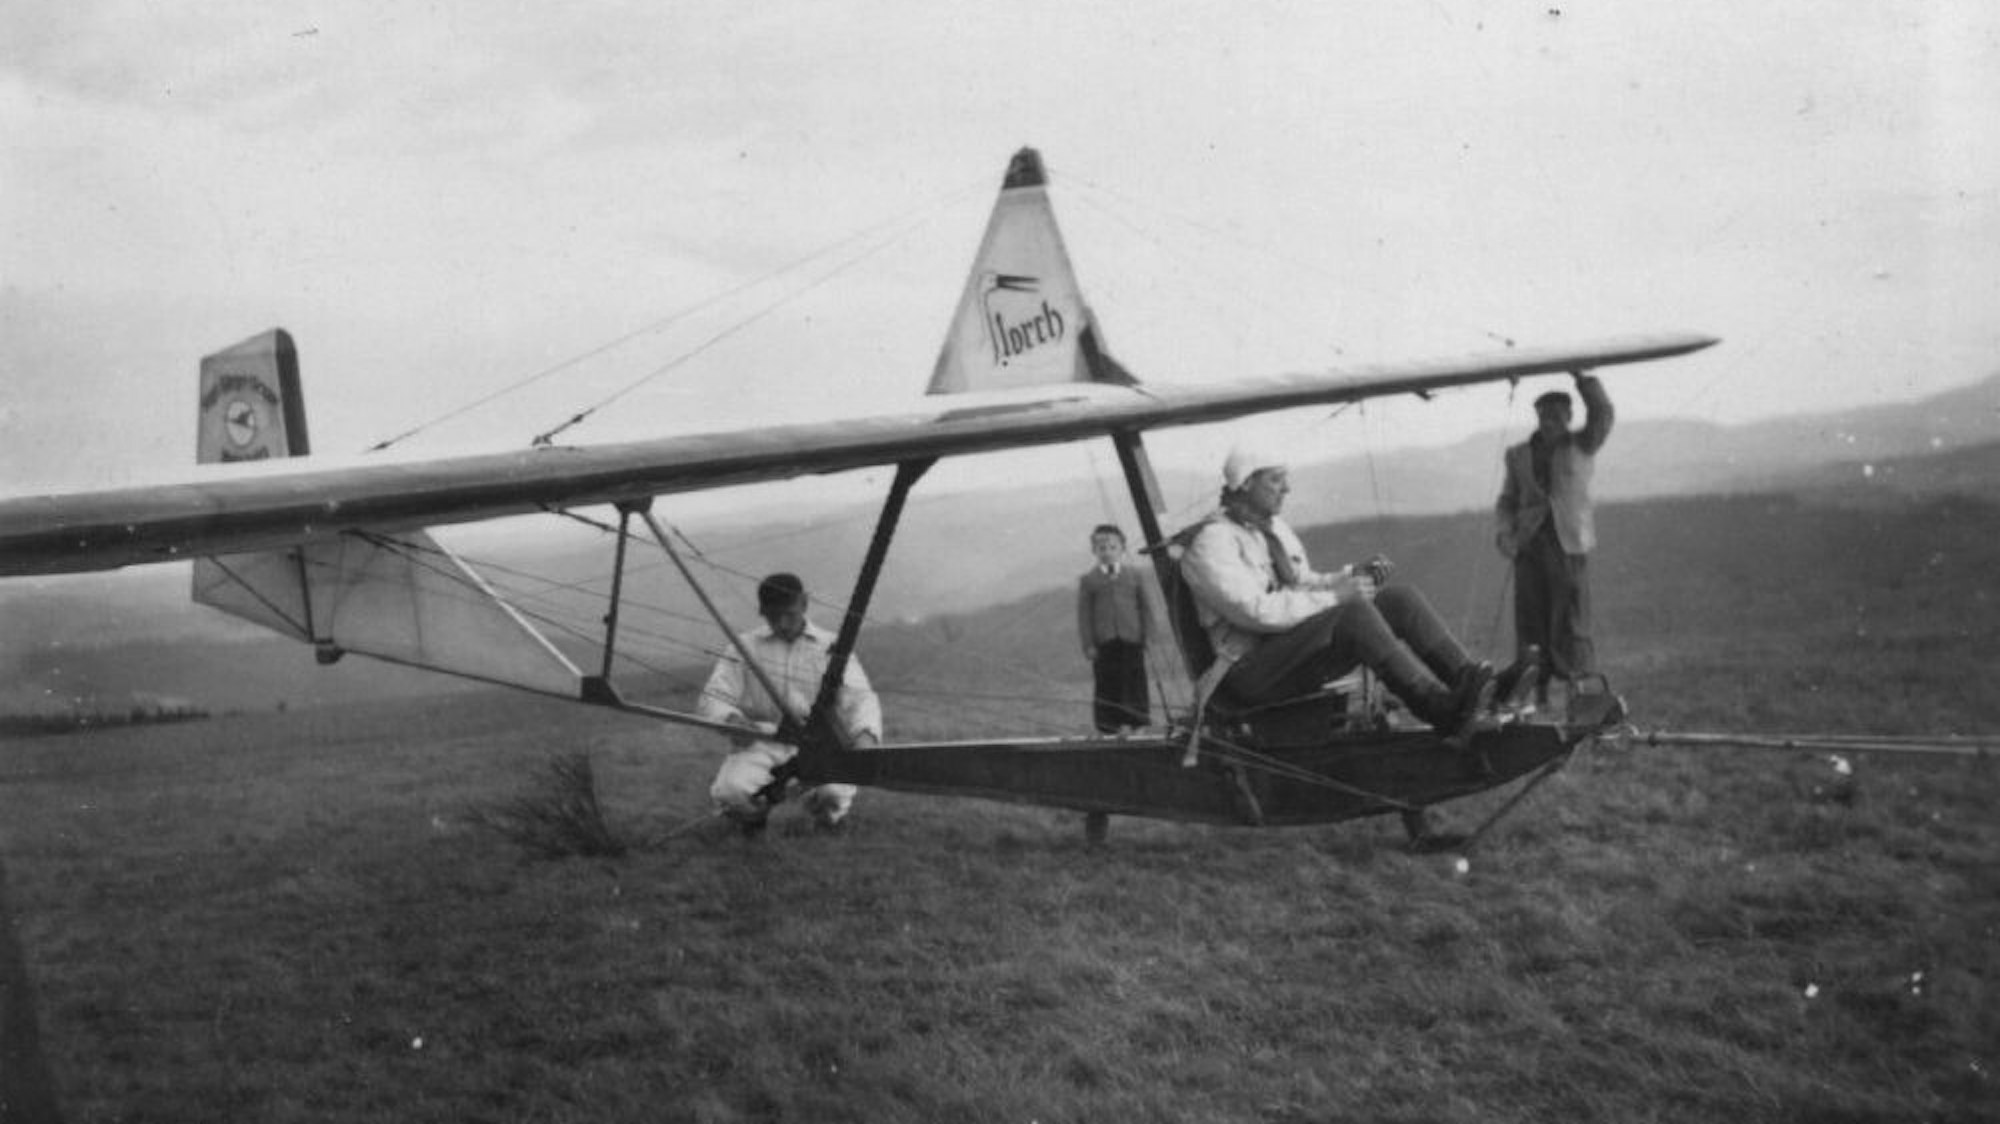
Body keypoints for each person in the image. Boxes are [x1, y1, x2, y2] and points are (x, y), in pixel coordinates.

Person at [1180, 447, 1496, 741]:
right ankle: (1436, 708)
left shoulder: (1273, 529)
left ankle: (1474, 684)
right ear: (1246, 483)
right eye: (1276, 480)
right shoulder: (1212, 542)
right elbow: (1256, 611)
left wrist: (1348, 577)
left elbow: (1302, 582)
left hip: (1285, 651)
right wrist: (1336, 597)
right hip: (1248, 672)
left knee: (1398, 600)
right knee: (1352, 612)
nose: (1286, 488)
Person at [695, 572, 881, 834]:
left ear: (804, 604)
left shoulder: (833, 646)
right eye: (773, 616)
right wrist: (731, 720)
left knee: (830, 796)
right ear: (762, 612)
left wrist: (865, 736)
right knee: (731, 794)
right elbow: (714, 695)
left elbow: (860, 698)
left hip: (820, 746)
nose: (782, 623)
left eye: (789, 614)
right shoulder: (744, 647)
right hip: (763, 742)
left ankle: (827, 823)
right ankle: (753, 821)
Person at [1495, 372, 1613, 705]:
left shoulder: (1583, 444)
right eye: (1546, 416)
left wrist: (1584, 379)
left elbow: (1603, 415)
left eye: (1559, 416)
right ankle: (1536, 692)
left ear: (1570, 417)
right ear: (1538, 417)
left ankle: (1578, 692)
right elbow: (1507, 500)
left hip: (1570, 544)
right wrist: (1504, 534)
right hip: (1529, 545)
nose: (1552, 422)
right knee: (1531, 619)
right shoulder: (1517, 455)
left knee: (1572, 616)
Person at [1076, 523, 1156, 733]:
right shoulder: (1089, 580)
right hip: (1105, 641)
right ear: (1094, 550)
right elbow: (1084, 616)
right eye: (1102, 548)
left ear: (1122, 548)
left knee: (1135, 681)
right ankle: (1109, 726)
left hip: (1131, 638)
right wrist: (1089, 645)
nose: (1107, 553)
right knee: (1107, 682)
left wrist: (1148, 636)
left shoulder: (1134, 575)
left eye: (1112, 547)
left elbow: (1145, 607)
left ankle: (1137, 724)